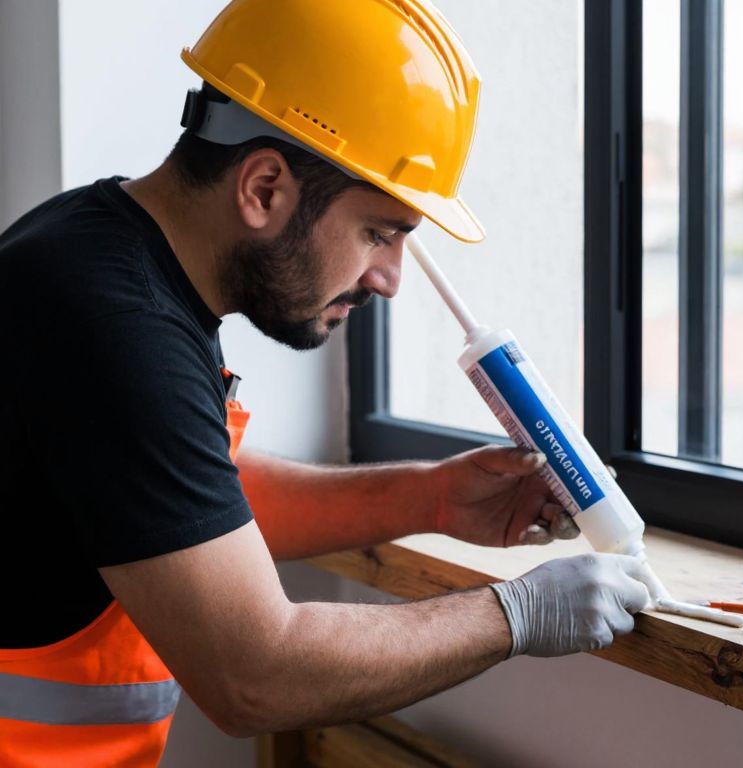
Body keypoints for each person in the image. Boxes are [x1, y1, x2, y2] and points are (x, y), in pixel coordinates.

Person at [0, 1, 649, 764]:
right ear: (265, 187)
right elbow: (256, 674)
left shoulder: (97, 249)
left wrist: (431, 496)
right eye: (379, 233)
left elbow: (183, 506)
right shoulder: (112, 326)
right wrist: (520, 614)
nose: (390, 278)